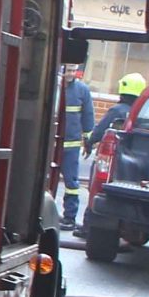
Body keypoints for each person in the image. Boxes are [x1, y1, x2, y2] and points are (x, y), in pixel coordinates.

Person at [59, 65, 95, 219]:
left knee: (71, 183)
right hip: (49, 145)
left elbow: (88, 115)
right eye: (69, 71)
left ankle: (70, 216)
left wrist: (88, 141)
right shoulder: (54, 87)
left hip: (71, 146)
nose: (71, 74)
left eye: (74, 71)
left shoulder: (82, 90)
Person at [88, 73, 146, 150]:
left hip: (116, 153)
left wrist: (89, 141)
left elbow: (99, 132)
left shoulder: (117, 110)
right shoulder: (143, 113)